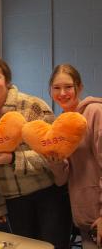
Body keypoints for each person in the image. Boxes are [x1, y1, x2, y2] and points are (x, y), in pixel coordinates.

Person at [0, 54, 72, 249]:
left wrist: (13, 159)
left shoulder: (31, 106)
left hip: (47, 194)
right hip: (13, 201)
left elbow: (55, 153)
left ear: (7, 80)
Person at [47, 64, 102, 248]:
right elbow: (62, 179)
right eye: (56, 88)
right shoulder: (60, 125)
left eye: (68, 87)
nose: (62, 93)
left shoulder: (95, 112)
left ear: (79, 87)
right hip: (85, 220)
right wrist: (55, 163)